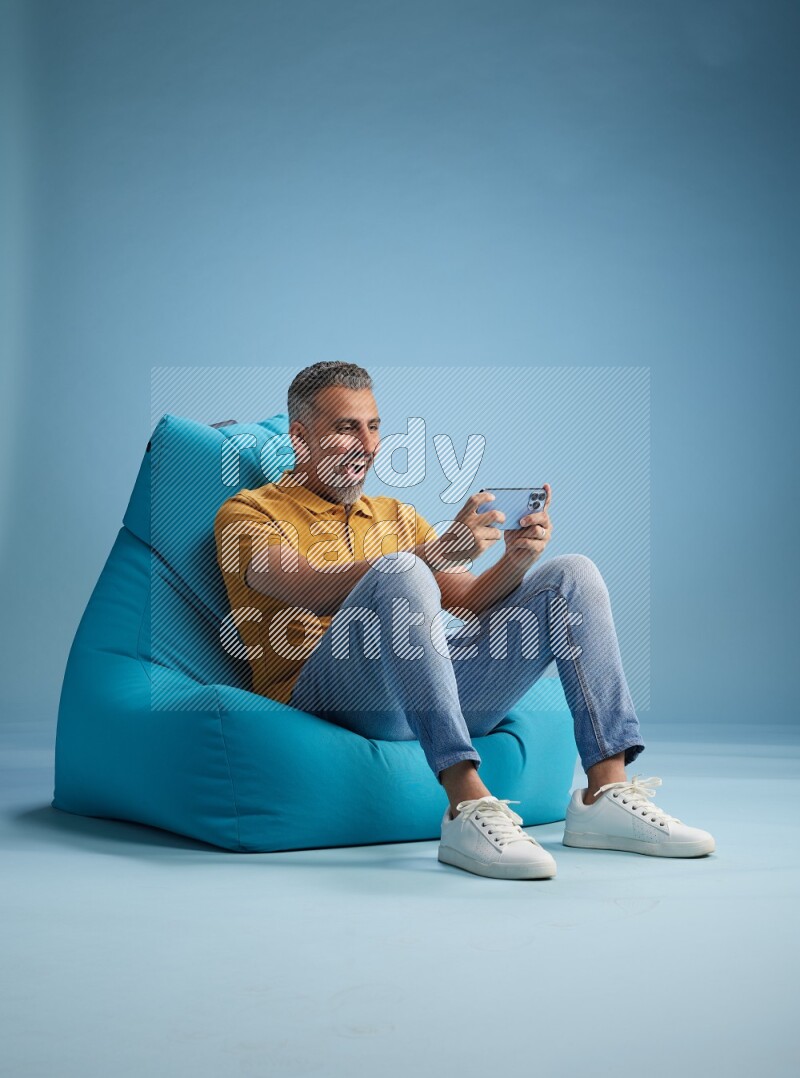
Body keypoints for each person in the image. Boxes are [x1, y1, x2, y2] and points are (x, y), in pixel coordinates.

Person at [214, 361, 715, 880]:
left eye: (374, 426)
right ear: (300, 436)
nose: (366, 444)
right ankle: (465, 804)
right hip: (327, 696)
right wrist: (427, 556)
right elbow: (307, 586)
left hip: (421, 693)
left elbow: (471, 601)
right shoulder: (247, 513)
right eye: (346, 428)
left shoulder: (395, 516)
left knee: (571, 575)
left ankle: (605, 791)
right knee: (403, 568)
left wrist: (515, 560)